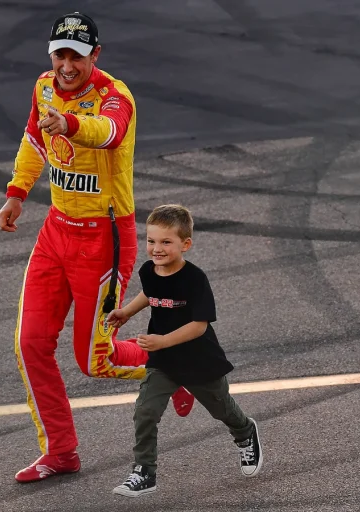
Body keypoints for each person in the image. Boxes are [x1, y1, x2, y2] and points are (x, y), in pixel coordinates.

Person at [0, 12, 194, 483]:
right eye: (60, 54)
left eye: (77, 57)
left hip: (103, 242)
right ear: (51, 55)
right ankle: (60, 452)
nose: (67, 65)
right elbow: (34, 139)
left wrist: (69, 123)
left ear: (95, 56)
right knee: (29, 344)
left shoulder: (114, 96)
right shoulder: (43, 86)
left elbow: (111, 133)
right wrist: (17, 193)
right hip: (55, 233)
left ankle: (173, 364)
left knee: (95, 362)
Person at [107, 204, 263, 497]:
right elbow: (151, 292)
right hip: (163, 360)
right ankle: (144, 472)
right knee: (145, 411)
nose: (156, 248)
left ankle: (245, 433)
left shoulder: (195, 279)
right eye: (151, 241)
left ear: (185, 244)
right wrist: (127, 311)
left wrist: (162, 340)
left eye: (166, 242)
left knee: (222, 409)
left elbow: (199, 326)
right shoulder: (148, 270)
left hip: (199, 360)